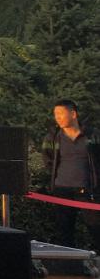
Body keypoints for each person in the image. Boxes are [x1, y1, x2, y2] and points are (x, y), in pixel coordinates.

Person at [44, 99, 100, 248]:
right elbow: (48, 160)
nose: (58, 117)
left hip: (89, 190)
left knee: (96, 229)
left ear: (73, 114)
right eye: (55, 114)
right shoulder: (53, 137)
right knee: (64, 232)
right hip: (62, 189)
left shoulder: (92, 135)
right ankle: (66, 261)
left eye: (61, 113)